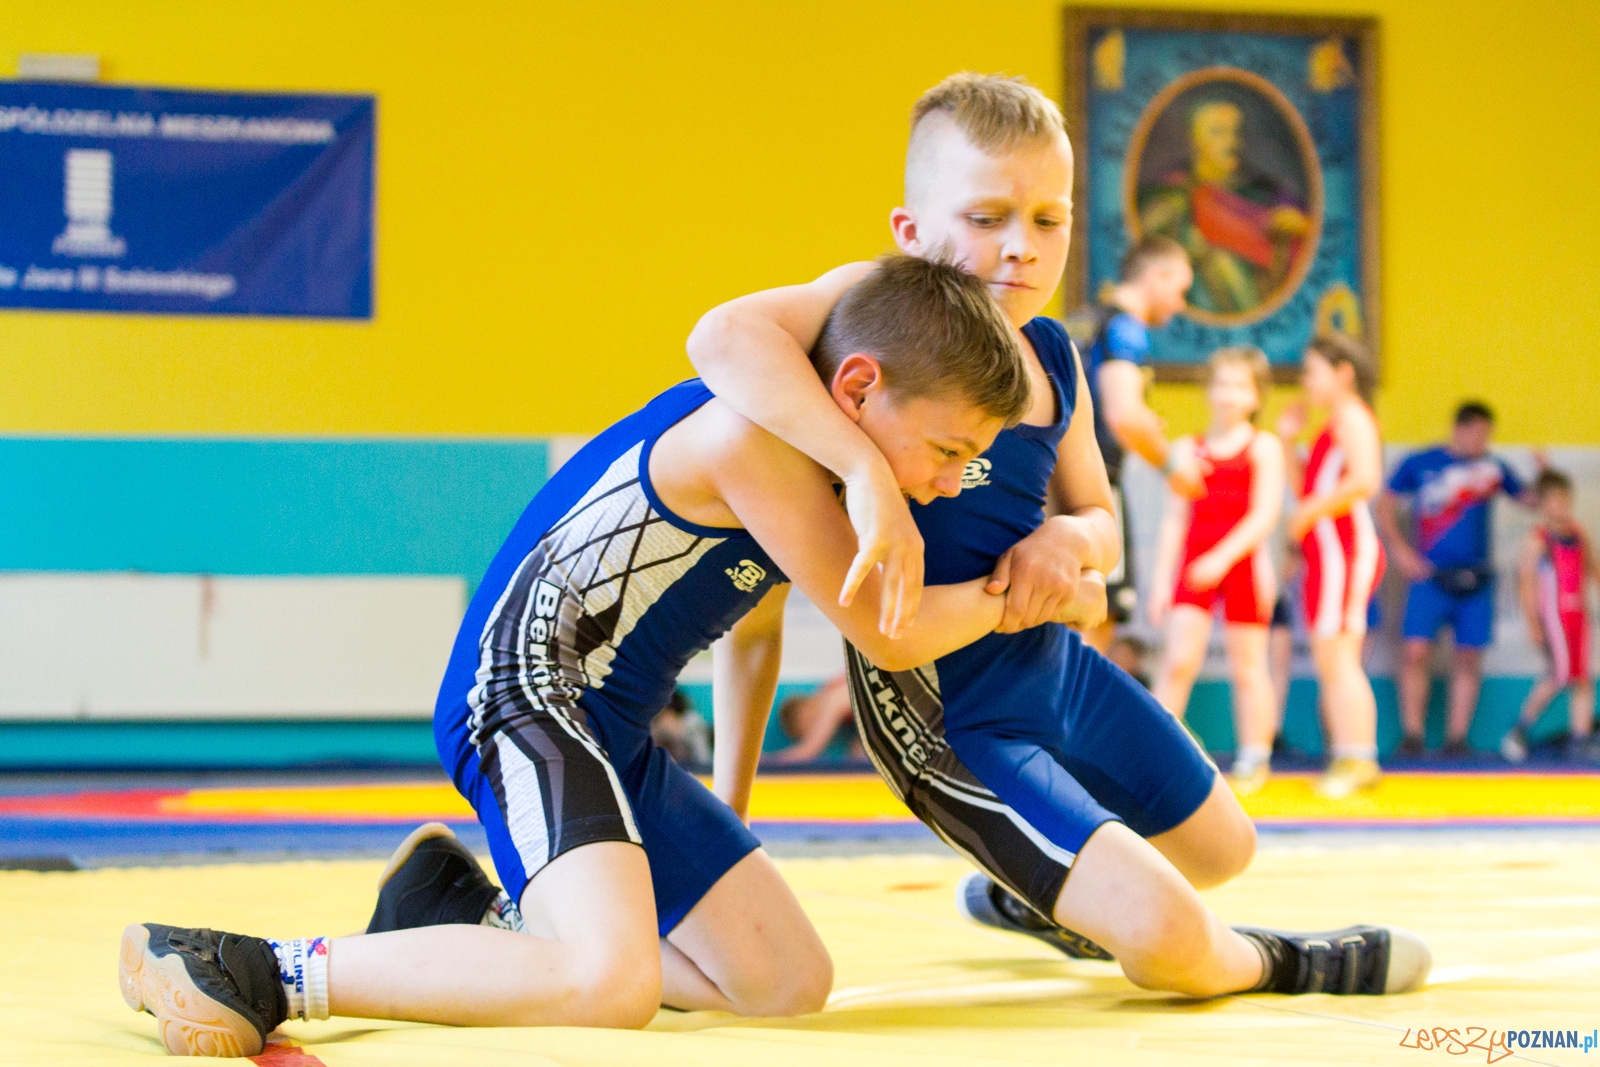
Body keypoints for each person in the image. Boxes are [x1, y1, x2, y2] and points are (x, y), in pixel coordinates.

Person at [117, 257, 1068, 1056]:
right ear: (857, 388)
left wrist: (730, 813)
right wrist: (1027, 589)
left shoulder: (811, 463)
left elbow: (758, 637)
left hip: (609, 731)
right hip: (524, 697)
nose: (952, 482)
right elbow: (891, 632)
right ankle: (249, 965)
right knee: (611, 982)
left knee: (784, 981)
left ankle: (461, 918)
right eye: (949, 449)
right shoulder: (751, 438)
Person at [686, 73, 1427, 1000]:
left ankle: (1032, 897)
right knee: (1164, 929)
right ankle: (1287, 962)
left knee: (1222, 848)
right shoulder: (865, 318)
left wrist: (1066, 543)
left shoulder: (1055, 355)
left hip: (1051, 666)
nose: (1021, 248)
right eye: (987, 217)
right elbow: (720, 337)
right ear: (909, 231)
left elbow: (1103, 523)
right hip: (947, 713)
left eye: (1049, 220)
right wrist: (863, 468)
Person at [1149, 346, 1284, 795]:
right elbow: (1174, 520)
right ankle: (1155, 756)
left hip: (1243, 565)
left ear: (1256, 395)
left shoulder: (1264, 447)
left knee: (1248, 667)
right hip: (1194, 565)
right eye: (1222, 384)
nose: (1228, 394)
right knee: (1178, 661)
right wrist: (1161, 583)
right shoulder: (1187, 449)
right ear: (1208, 389)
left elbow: (1264, 516)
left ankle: (1254, 757)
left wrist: (1223, 559)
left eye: (1240, 386)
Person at [1377, 401, 1532, 756]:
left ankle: (1456, 739)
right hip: (1429, 577)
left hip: (1476, 579)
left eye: (1487, 435)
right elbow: (1385, 504)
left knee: (1469, 656)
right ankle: (1412, 736)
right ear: (1458, 429)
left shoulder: (1493, 468)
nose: (1481, 441)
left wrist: (1544, 474)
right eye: (1476, 433)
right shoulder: (1421, 463)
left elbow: (1531, 500)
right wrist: (1400, 551)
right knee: (1415, 652)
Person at [1277, 334, 1386, 799]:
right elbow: (1307, 488)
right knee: (1331, 657)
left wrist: (1311, 512)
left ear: (1343, 373)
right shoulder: (1333, 424)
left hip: (1343, 550)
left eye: (1312, 371)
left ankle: (1358, 757)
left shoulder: (1353, 418)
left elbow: (1366, 480)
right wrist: (1287, 441)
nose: (1305, 381)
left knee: (1340, 658)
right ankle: (1349, 755)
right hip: (1328, 552)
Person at [1081, 234, 1202, 647]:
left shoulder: (1089, 323)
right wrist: (1174, 467)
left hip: (1056, 481)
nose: (1180, 304)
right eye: (1180, 290)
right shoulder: (1126, 327)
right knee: (1097, 615)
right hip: (1093, 486)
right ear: (1156, 276)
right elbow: (1124, 415)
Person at [1136, 101, 1311, 315]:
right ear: (1195, 140)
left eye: (1235, 132)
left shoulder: (1265, 192)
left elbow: (1309, 230)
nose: (1231, 142)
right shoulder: (1169, 194)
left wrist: (1294, 226)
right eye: (1218, 132)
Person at [1501, 469, 1599, 763]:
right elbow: (1526, 583)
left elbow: (1593, 569)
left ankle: (1580, 737)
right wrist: (1534, 624)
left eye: (1564, 499)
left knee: (1582, 677)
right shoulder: (1538, 540)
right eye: (1554, 500)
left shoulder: (1578, 533)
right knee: (1559, 675)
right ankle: (1519, 729)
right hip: (1554, 618)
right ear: (1542, 504)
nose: (1561, 506)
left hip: (1579, 615)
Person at [771, 674, 860, 763]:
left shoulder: (831, 697)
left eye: (812, 727)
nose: (815, 732)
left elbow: (808, 751)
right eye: (809, 735)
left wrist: (770, 761)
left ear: (806, 710)